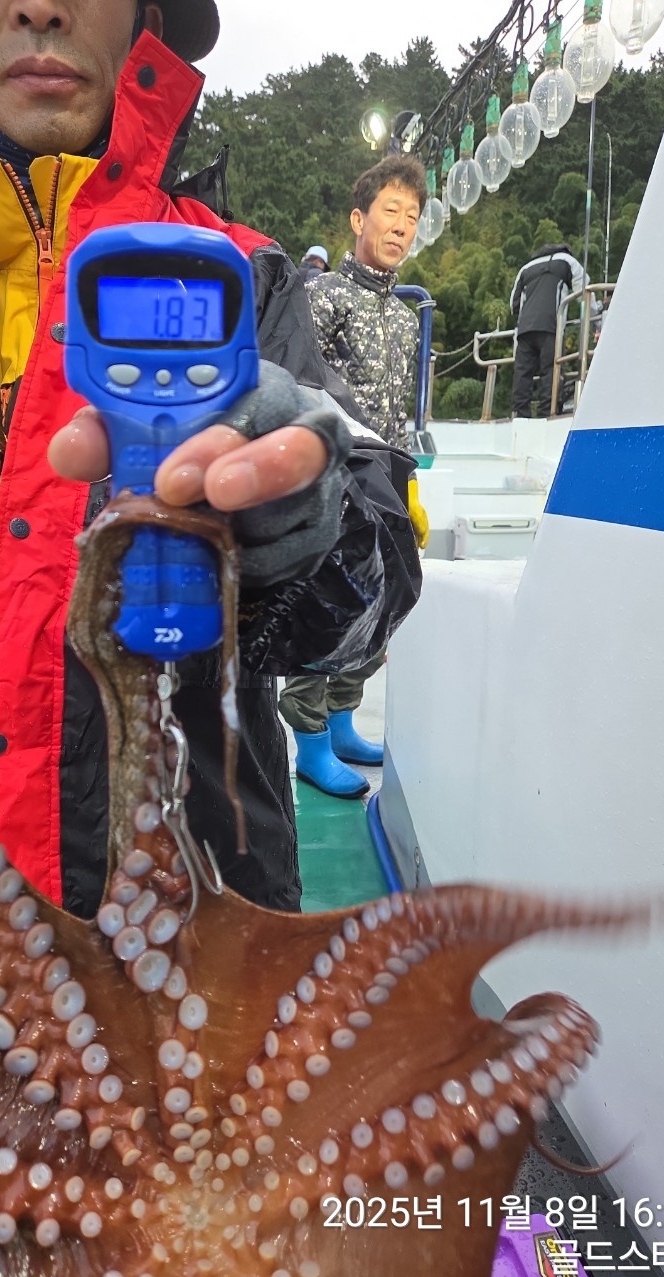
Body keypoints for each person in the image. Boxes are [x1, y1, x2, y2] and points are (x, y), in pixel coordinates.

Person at [0, 0, 421, 1170]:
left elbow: (355, 617)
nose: (40, 4)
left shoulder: (253, 281)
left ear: (145, 14)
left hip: (195, 1019)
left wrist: (308, 538)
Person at [278, 153, 430, 800]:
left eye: (412, 217)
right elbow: (298, 387)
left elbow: (403, 414)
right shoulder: (323, 296)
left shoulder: (406, 316)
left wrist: (409, 484)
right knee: (327, 601)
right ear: (358, 218)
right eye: (390, 211)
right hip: (335, 477)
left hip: (387, 478)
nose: (401, 226)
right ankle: (310, 742)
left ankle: (342, 722)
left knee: (377, 603)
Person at [510, 241, 597, 418]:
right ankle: (547, 413)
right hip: (551, 326)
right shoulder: (567, 261)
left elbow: (514, 304)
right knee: (552, 369)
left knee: (522, 373)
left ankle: (520, 414)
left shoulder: (526, 268)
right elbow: (585, 293)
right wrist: (595, 318)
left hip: (524, 330)